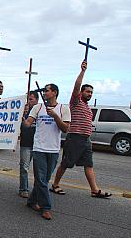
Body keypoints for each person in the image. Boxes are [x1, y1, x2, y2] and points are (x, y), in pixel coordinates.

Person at [51, 62, 111, 198]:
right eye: (87, 91)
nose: (89, 94)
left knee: (88, 164)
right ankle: (55, 185)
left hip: (85, 140)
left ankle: (94, 190)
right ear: (81, 92)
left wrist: (88, 139)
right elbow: (76, 86)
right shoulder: (76, 102)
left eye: (91, 92)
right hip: (75, 138)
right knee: (66, 163)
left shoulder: (88, 108)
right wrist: (82, 71)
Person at [23, 84, 70, 220]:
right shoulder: (38, 107)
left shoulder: (63, 109)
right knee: (41, 179)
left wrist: (55, 116)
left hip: (53, 149)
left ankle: (32, 201)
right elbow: (28, 124)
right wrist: (21, 116)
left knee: (44, 179)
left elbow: (65, 128)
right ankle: (46, 207)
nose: (44, 93)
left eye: (47, 90)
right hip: (39, 148)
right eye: (43, 90)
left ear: (54, 92)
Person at [18, 91, 39, 198]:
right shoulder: (23, 110)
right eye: (27, 99)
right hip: (25, 143)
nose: (29, 102)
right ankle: (23, 188)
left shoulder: (40, 111)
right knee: (24, 167)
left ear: (36, 100)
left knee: (38, 170)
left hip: (38, 145)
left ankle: (37, 191)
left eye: (31, 99)